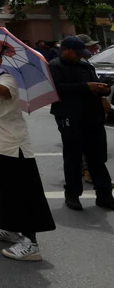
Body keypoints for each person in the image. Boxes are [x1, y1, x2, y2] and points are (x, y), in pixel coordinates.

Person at [0, 41, 55, 261]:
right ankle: (9, 228)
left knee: (22, 194)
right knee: (0, 190)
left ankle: (32, 244)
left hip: (11, 146)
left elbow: (5, 93)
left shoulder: (7, 79)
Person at [49, 36, 114, 211]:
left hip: (92, 116)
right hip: (69, 116)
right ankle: (72, 194)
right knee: (73, 157)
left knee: (98, 157)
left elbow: (96, 86)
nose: (80, 57)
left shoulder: (86, 65)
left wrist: (103, 89)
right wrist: (86, 86)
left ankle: (104, 194)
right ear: (65, 50)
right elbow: (56, 89)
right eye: (77, 53)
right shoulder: (55, 66)